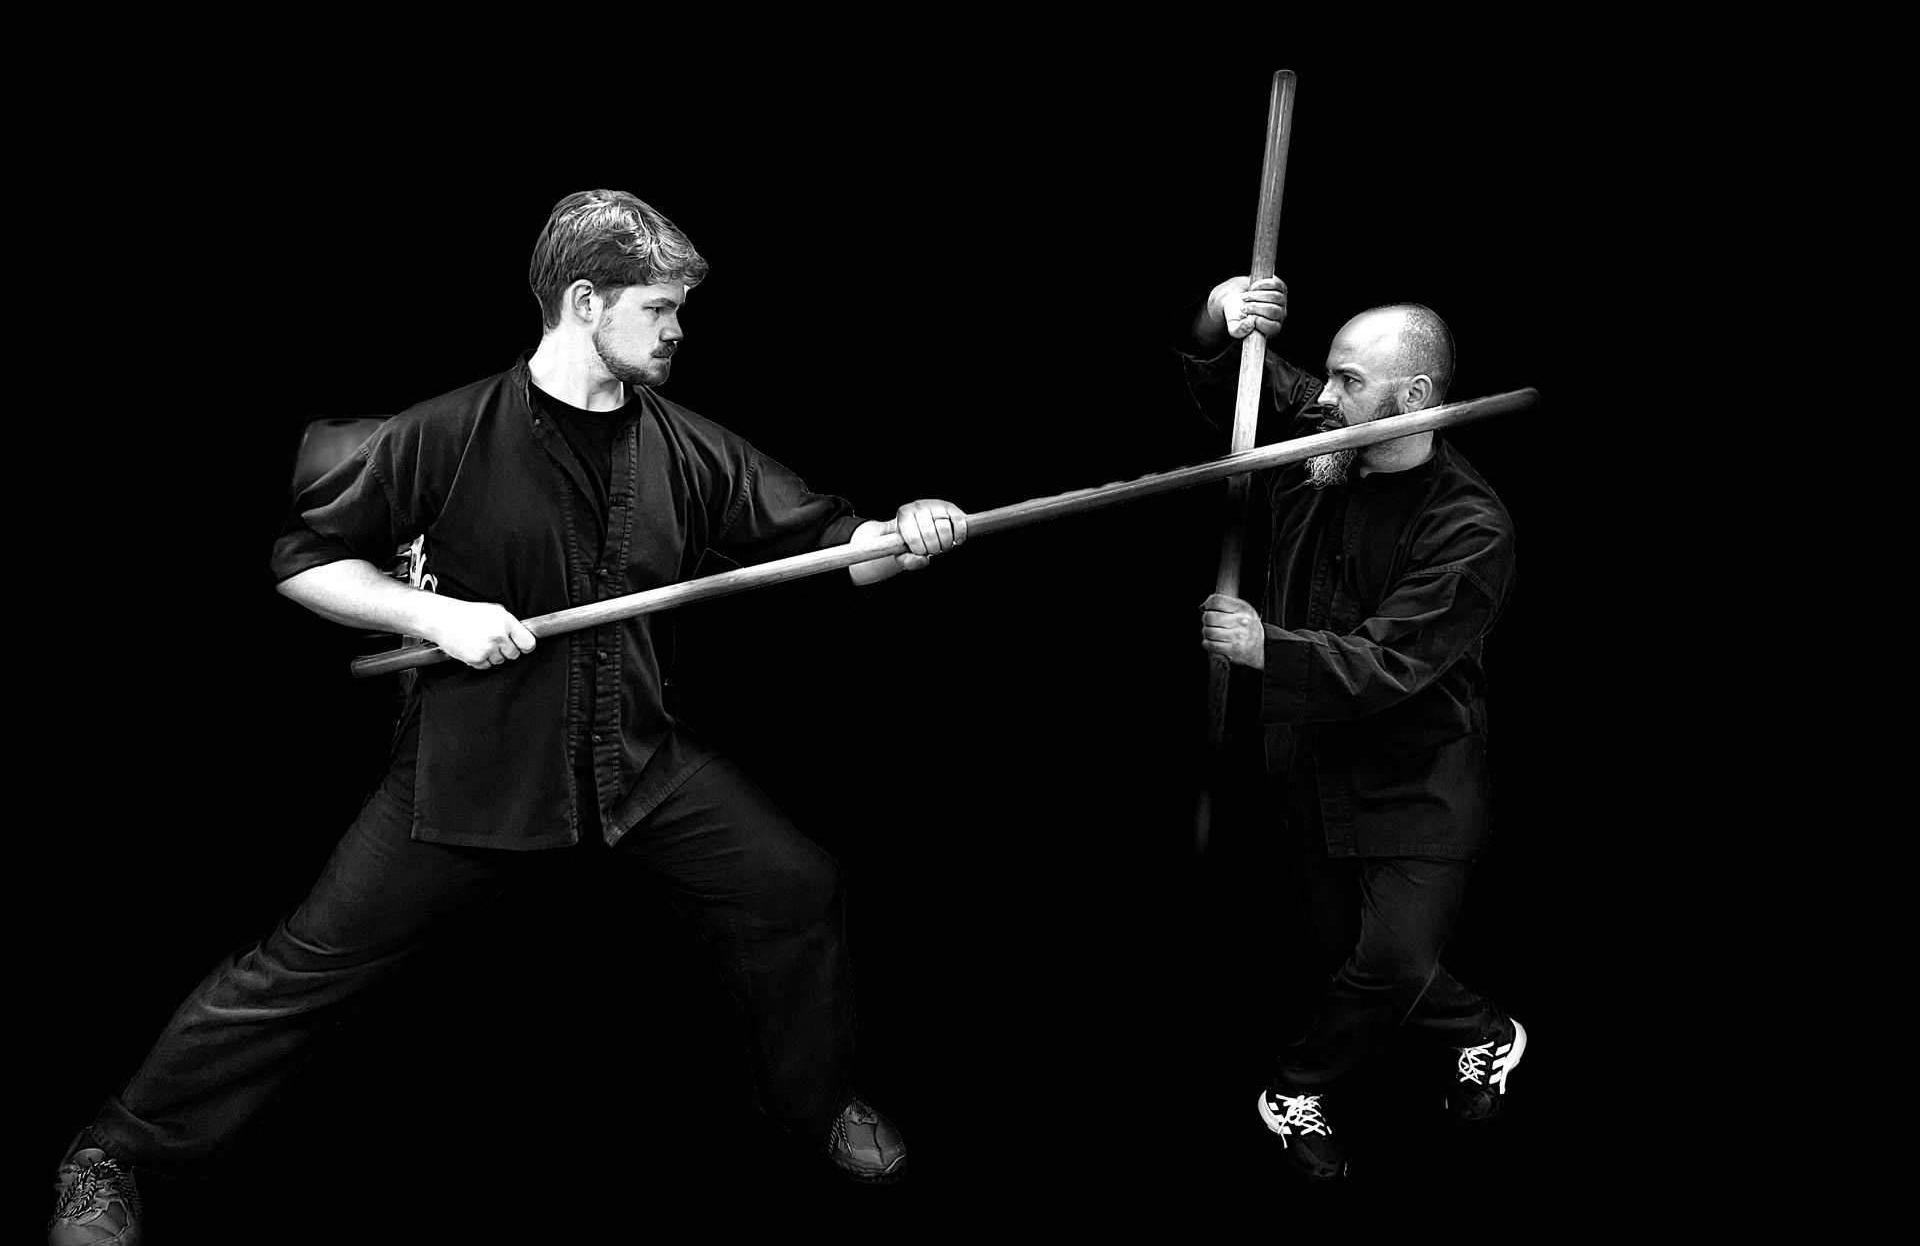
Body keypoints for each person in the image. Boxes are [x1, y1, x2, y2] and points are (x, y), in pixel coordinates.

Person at [47, 189, 967, 1243]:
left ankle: (815, 1108)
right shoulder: (445, 435)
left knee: (796, 886)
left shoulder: (690, 448)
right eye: (659, 309)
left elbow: (835, 547)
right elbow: (303, 564)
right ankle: (110, 1152)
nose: (678, 332)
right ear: (586, 301)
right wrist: (431, 618)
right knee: (300, 970)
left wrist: (903, 534)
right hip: (470, 772)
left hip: (636, 763)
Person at [1182, 274, 1524, 1184]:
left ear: (1413, 399)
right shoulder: (1327, 443)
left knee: (1393, 958)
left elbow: (1390, 665)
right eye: (1328, 380)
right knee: (1347, 955)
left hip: (1421, 776)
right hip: (1310, 760)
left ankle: (1294, 1086)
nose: (1323, 398)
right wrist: (1222, 321)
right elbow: (1245, 383)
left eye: (1346, 380)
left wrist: (1263, 647)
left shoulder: (1471, 528)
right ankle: (1487, 1033)